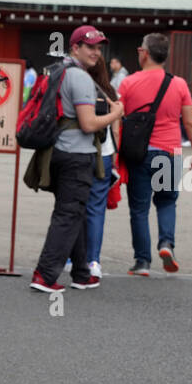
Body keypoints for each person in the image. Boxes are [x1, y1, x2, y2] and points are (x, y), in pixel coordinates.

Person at [29, 27, 124, 293]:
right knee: (68, 214)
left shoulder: (58, 71)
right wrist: (115, 114)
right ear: (75, 48)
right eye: (89, 47)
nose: (96, 52)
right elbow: (88, 123)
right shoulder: (79, 77)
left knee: (76, 211)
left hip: (57, 152)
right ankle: (44, 275)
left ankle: (81, 273)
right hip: (76, 156)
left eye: (98, 47)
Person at [118, 32, 192, 275]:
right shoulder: (179, 84)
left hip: (140, 154)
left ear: (145, 53)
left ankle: (142, 261)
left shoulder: (129, 83)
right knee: (166, 202)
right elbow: (190, 122)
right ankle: (166, 244)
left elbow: (118, 118)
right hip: (169, 153)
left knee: (139, 209)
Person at [83, 50, 120, 279]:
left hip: (77, 152)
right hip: (104, 154)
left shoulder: (75, 84)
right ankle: (93, 260)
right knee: (96, 209)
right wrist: (114, 157)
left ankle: (70, 258)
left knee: (73, 206)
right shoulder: (109, 91)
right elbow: (115, 128)